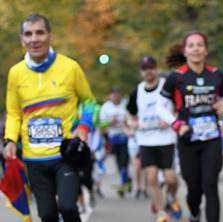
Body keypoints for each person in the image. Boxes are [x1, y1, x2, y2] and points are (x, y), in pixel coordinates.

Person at [3, 13, 97, 222]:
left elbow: (89, 102)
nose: (34, 39)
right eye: (28, 34)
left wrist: (83, 128)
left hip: (65, 154)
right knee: (46, 215)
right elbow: (14, 112)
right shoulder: (15, 73)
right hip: (34, 157)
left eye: (39, 33)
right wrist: (10, 139)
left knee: (68, 207)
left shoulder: (70, 67)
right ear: (22, 39)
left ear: (49, 36)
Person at [157, 31, 223, 222]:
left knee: (210, 185)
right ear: (185, 51)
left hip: (212, 139)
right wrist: (176, 124)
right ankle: (193, 211)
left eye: (200, 45)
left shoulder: (216, 74)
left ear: (206, 50)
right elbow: (160, 107)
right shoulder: (176, 77)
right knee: (194, 188)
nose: (196, 49)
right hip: (187, 138)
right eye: (191, 46)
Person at [127, 55, 181, 222]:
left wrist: (171, 119)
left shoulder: (167, 87)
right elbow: (129, 115)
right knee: (151, 176)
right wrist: (134, 124)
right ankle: (161, 212)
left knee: (170, 178)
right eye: (144, 68)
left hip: (166, 139)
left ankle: (171, 197)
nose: (148, 71)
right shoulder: (137, 90)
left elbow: (179, 108)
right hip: (146, 139)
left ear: (156, 68)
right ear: (141, 71)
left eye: (151, 67)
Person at [99, 86, 131, 198]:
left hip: (126, 137)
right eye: (113, 94)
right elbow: (102, 126)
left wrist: (127, 122)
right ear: (110, 95)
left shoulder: (125, 105)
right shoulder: (106, 107)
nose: (115, 96)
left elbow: (131, 119)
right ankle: (126, 179)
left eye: (117, 93)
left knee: (124, 161)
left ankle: (123, 182)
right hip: (113, 138)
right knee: (119, 162)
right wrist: (109, 123)